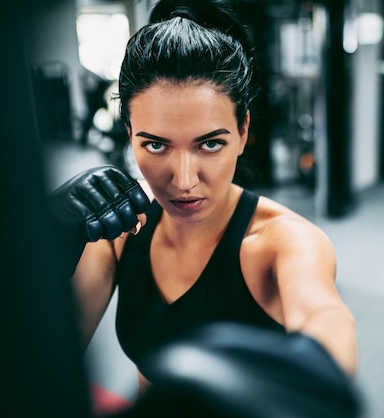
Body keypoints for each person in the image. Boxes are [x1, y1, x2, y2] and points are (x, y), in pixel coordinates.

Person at [49, 0, 360, 416]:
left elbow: (327, 320)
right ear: (129, 134)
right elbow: (36, 363)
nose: (182, 180)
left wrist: (318, 364)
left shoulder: (282, 241)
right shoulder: (123, 227)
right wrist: (39, 254)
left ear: (243, 130)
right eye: (155, 144)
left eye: (210, 143)